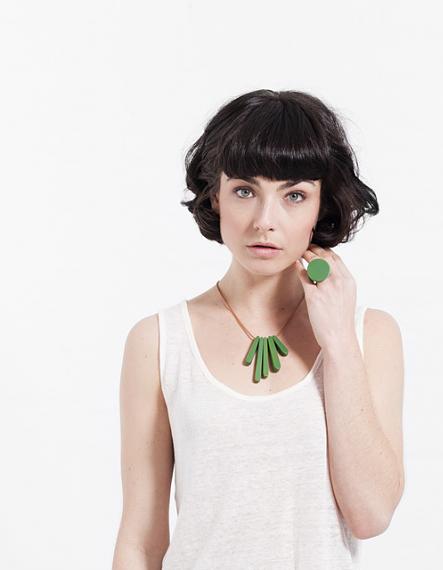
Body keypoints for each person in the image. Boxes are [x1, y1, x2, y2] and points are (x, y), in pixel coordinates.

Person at [112, 89, 405, 570]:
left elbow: (370, 514)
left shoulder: (370, 336)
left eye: (294, 195)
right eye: (245, 191)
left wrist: (338, 343)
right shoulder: (159, 342)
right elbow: (141, 542)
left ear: (320, 207)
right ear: (216, 196)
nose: (265, 221)